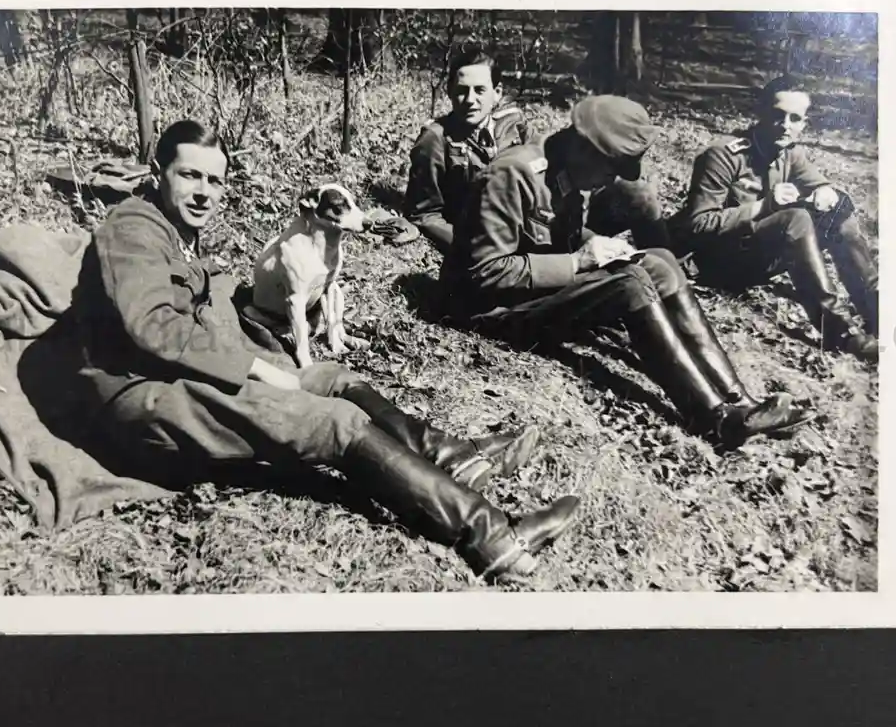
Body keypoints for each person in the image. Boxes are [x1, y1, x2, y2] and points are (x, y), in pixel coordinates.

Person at [70, 118, 580, 583]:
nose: (204, 193)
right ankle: (493, 536)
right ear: (159, 173)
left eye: (215, 181)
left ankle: (450, 458)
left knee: (330, 377)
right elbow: (153, 324)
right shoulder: (133, 228)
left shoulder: (175, 229)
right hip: (140, 398)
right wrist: (255, 367)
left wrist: (261, 361)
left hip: (178, 372)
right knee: (331, 421)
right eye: (190, 176)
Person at [441, 95, 816, 449]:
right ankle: (715, 419)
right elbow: (483, 274)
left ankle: (740, 400)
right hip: (487, 313)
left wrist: (604, 248)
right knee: (631, 284)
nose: (611, 180)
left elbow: (551, 235)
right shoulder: (513, 176)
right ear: (585, 147)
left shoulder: (563, 168)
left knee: (658, 263)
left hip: (530, 293)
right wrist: (579, 262)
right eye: (613, 166)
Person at [666, 75, 878, 363]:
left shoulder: (789, 152)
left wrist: (826, 191)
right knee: (795, 219)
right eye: (778, 116)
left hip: (758, 258)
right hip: (717, 264)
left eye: (795, 118)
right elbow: (698, 225)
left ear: (804, 123)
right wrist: (764, 206)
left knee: (839, 213)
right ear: (761, 113)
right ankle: (839, 331)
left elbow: (821, 187)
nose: (785, 126)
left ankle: (878, 311)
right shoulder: (723, 155)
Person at [402, 48, 530, 254]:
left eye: (480, 90)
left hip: (527, 233)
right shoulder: (435, 139)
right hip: (481, 243)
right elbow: (423, 214)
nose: (470, 100)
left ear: (496, 94)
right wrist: (469, 246)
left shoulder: (514, 124)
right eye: (462, 90)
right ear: (449, 92)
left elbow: (542, 180)